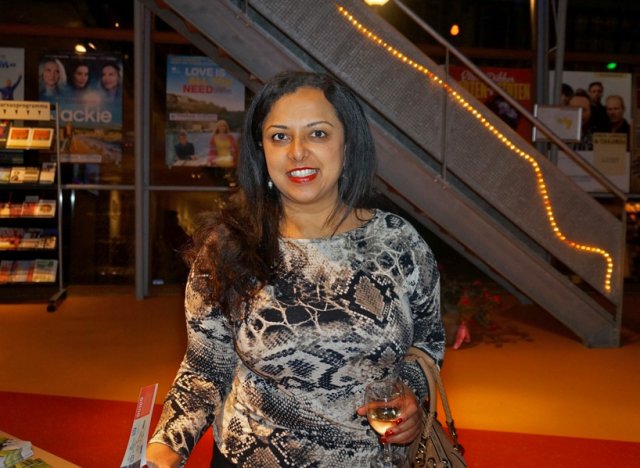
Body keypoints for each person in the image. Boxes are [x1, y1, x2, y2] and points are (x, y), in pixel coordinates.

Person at [146, 70, 444, 467]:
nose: (297, 151)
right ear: (262, 150)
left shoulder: (398, 242)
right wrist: (165, 449)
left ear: (347, 144)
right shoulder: (228, 247)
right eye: (280, 136)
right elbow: (205, 367)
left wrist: (411, 395)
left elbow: (429, 342)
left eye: (317, 134)